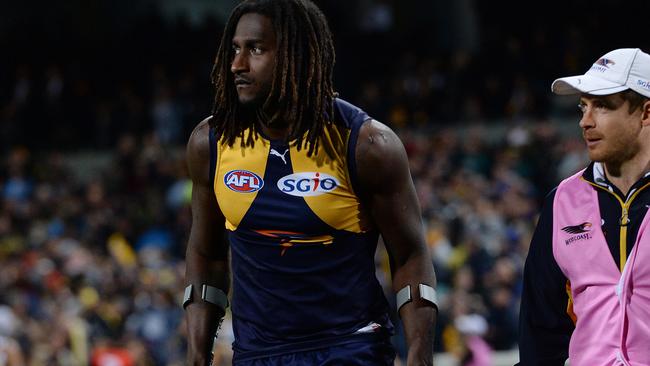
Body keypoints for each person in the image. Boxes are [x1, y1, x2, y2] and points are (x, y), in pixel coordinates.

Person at [183, 0, 438, 365]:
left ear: (294, 55)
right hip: (257, 355)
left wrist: (419, 353)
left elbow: (410, 254)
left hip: (351, 349)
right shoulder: (209, 144)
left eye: (255, 49)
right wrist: (196, 352)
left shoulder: (368, 146)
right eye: (235, 49)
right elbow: (206, 255)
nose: (237, 64)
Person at [518, 48, 650, 366]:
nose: (585, 122)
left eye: (602, 106)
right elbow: (540, 332)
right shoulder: (562, 201)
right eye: (583, 106)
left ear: (646, 113)